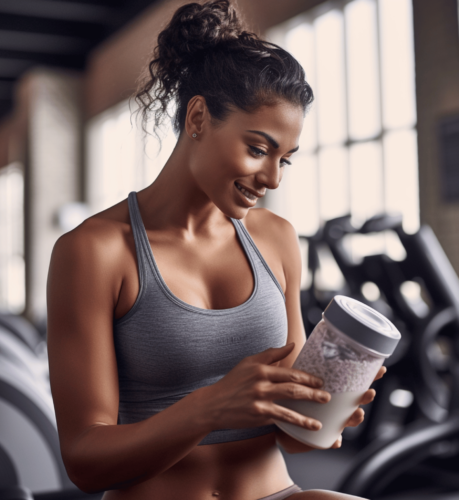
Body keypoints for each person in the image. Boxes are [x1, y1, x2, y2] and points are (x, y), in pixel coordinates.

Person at [46, 1, 386, 499]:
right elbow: (85, 461)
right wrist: (209, 408)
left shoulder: (276, 238)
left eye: (285, 161)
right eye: (257, 149)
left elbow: (291, 439)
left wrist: (324, 412)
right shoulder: (95, 251)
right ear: (199, 116)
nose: (271, 178)